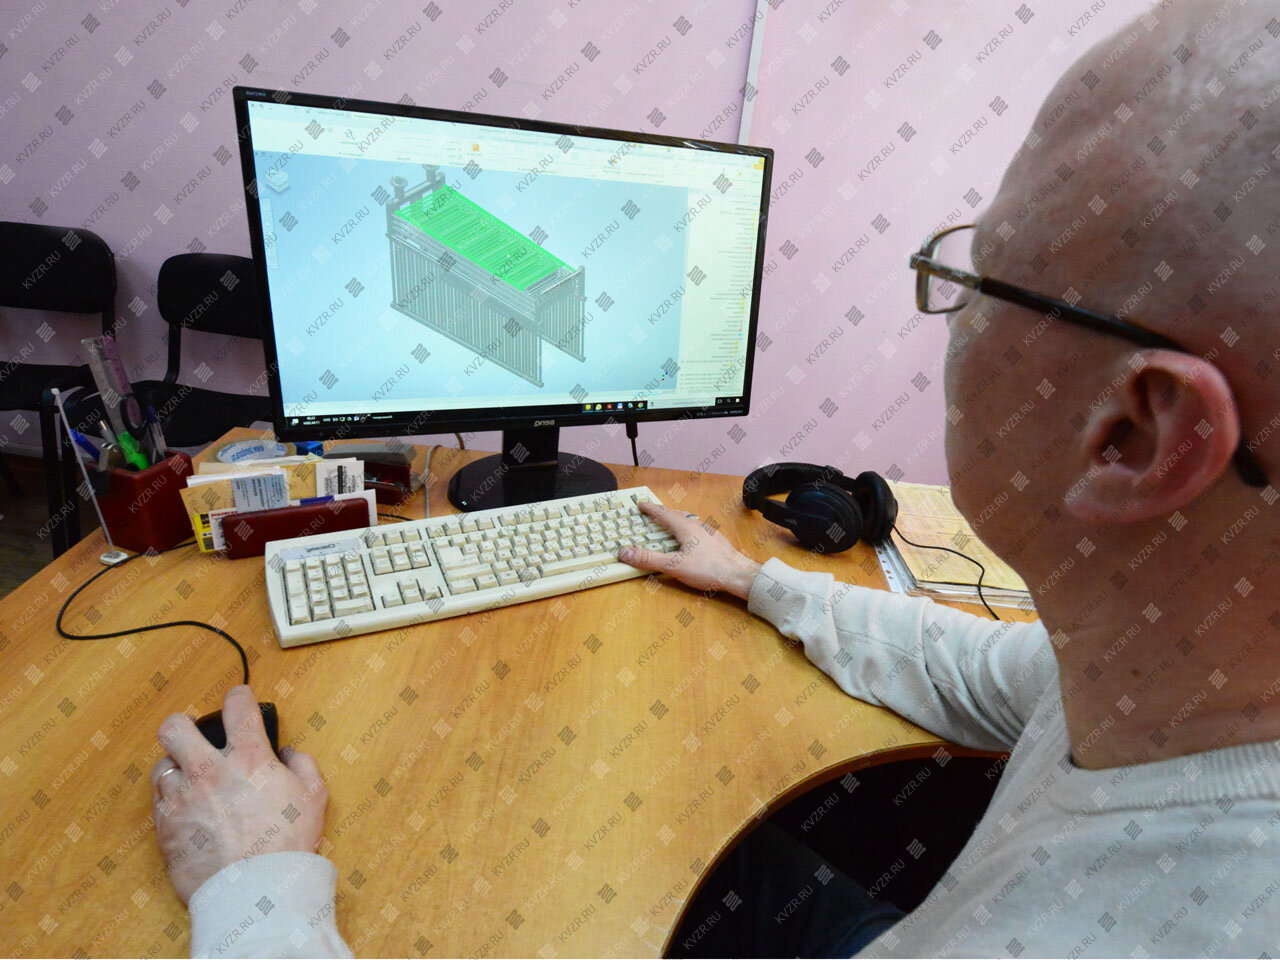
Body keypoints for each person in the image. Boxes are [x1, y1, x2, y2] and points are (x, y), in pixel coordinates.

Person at [153, 2, 1280, 955]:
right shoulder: (1173, 672)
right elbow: (999, 674)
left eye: (980, 275)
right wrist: (756, 581)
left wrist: (255, 887)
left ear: (1132, 436)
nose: (951, 311)